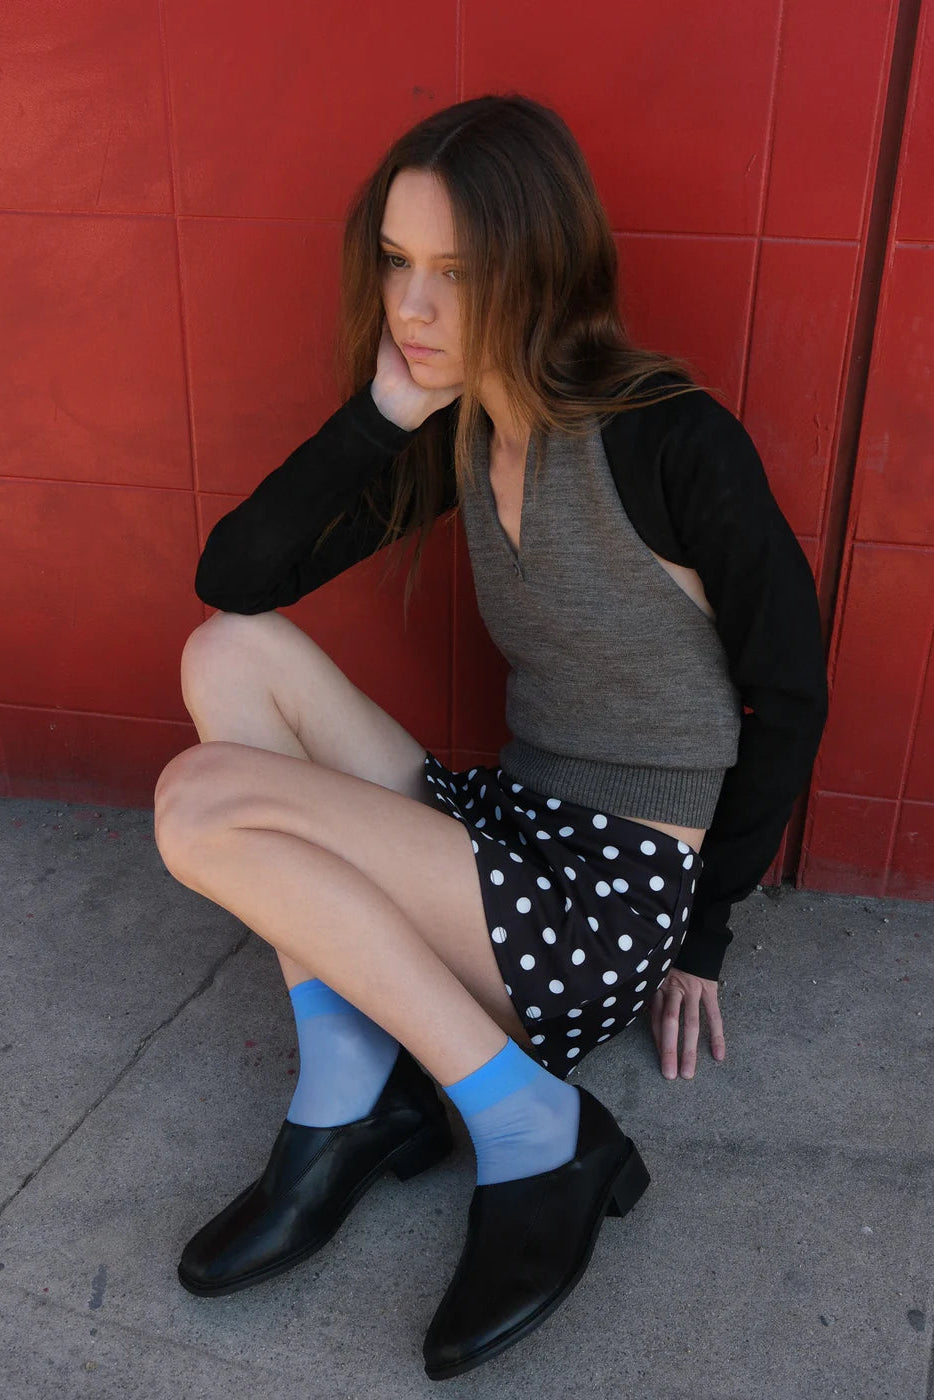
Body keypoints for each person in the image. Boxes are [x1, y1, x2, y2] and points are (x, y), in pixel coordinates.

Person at [153, 94, 827, 1380]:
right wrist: (381, 412)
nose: (413, 307)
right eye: (397, 263)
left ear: (541, 263)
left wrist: (703, 933)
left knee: (197, 803)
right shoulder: (458, 423)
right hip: (508, 831)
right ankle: (350, 1088)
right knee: (225, 652)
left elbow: (789, 691)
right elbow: (234, 575)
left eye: (456, 273)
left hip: (601, 902)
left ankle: (531, 1129)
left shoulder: (671, 439)